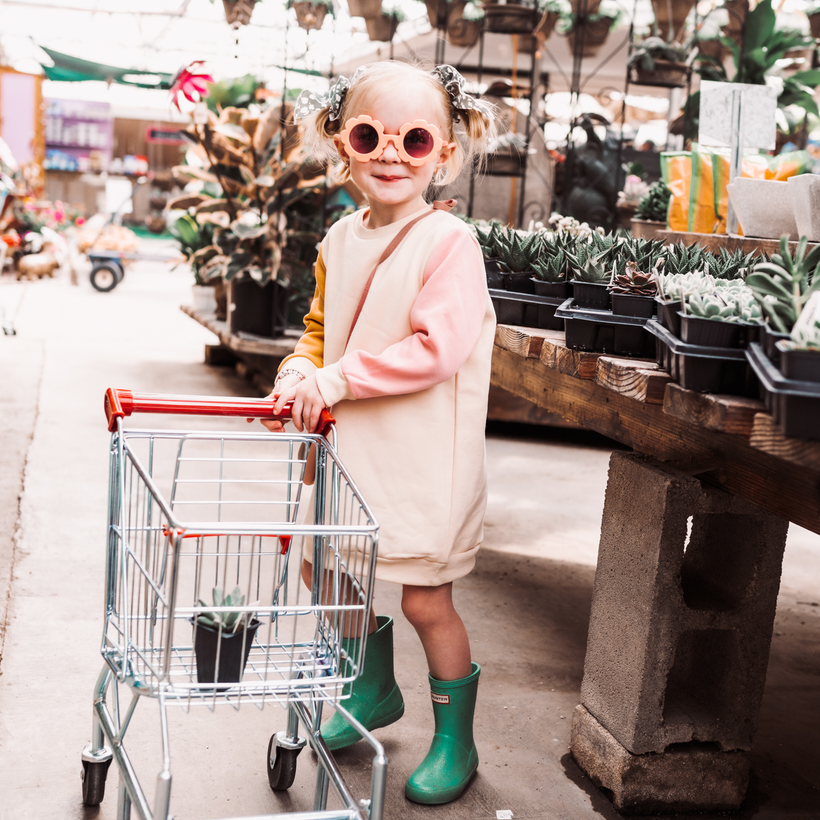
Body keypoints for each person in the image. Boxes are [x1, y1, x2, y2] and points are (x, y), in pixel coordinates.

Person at [262, 61, 496, 805]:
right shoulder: (339, 239)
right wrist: (301, 369)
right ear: (342, 144)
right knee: (318, 561)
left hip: (425, 457)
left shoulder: (449, 244)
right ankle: (370, 687)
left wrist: (333, 380)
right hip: (349, 450)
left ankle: (455, 738)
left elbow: (437, 351)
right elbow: (321, 328)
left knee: (428, 599)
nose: (391, 154)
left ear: (446, 154)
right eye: (370, 135)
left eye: (415, 139)